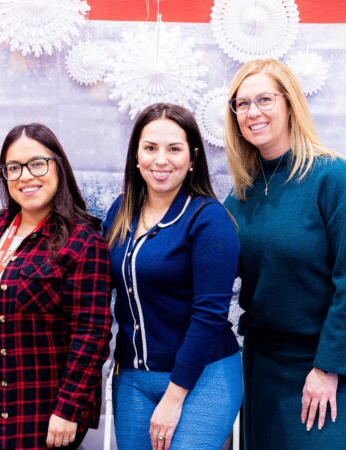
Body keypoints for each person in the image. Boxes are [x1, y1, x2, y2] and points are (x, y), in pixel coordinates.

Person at [223, 58, 346, 449]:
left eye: (264, 99)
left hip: (329, 361)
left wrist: (327, 368)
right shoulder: (241, 194)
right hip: (264, 361)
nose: (252, 112)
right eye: (242, 104)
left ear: (290, 103)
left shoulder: (333, 178)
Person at [0, 123, 112, 450]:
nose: (25, 176)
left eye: (37, 164)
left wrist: (68, 409)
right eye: (14, 168)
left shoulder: (83, 242)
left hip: (42, 404)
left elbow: (91, 335)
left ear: (59, 167)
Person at [104, 103, 242, 450]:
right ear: (136, 155)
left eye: (174, 149)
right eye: (150, 148)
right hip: (133, 379)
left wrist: (174, 397)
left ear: (192, 157)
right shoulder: (120, 212)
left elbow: (209, 316)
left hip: (202, 376)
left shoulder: (209, 219)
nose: (161, 160)